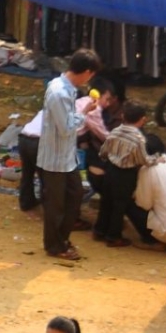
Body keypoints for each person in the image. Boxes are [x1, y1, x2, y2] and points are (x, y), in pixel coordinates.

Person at [31, 50, 99, 260]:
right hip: (54, 159)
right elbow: (66, 127)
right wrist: (85, 111)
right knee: (55, 204)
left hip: (66, 157)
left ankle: (62, 239)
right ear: (87, 72)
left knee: (74, 196)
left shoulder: (65, 89)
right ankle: (54, 245)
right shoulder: (60, 92)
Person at [94, 102, 166, 247]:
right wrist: (157, 158)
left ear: (122, 116)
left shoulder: (114, 131)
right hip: (125, 175)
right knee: (120, 205)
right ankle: (113, 236)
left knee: (106, 201)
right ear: (142, 120)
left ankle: (100, 230)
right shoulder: (138, 139)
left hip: (111, 170)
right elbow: (143, 160)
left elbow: (103, 152)